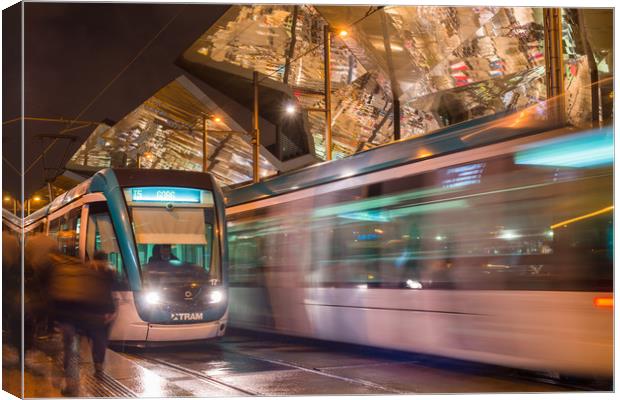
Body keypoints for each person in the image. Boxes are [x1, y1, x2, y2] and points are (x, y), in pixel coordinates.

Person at [49, 248, 117, 395]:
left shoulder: (63, 270)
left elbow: (55, 296)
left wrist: (56, 319)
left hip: (70, 315)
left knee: (71, 349)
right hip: (93, 314)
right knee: (99, 337)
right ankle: (98, 366)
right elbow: (105, 294)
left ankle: (71, 385)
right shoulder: (101, 272)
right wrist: (110, 311)